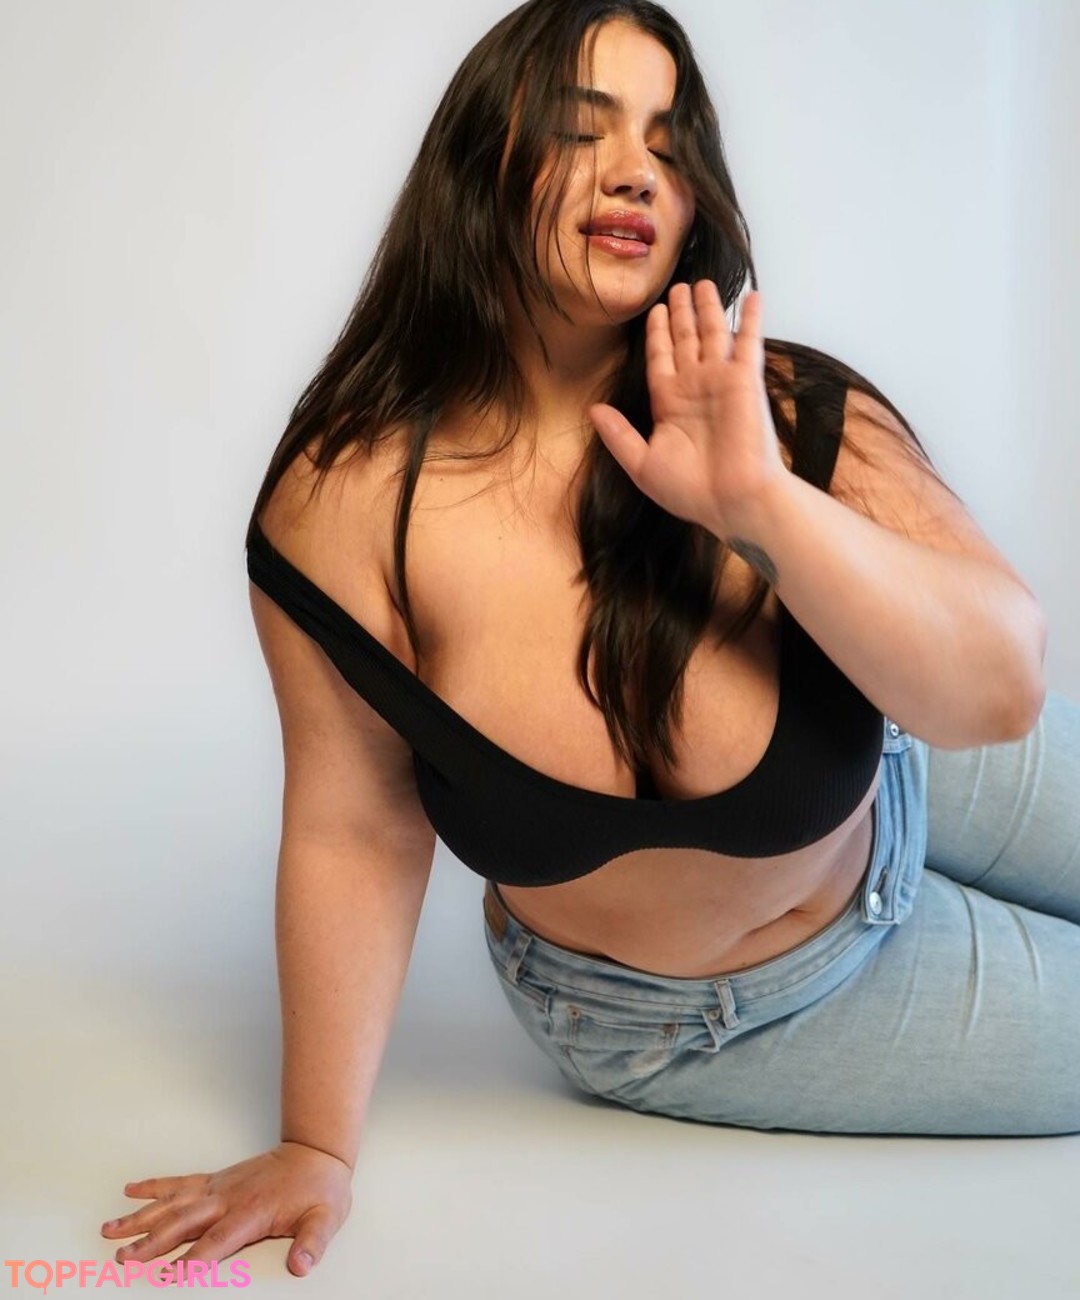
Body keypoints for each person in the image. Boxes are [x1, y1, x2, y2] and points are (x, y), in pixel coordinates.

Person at [101, 0, 1080, 1280]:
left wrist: (758, 504)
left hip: (907, 763)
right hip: (721, 1012)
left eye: (669, 144)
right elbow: (356, 825)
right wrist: (316, 1145)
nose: (636, 173)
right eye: (583, 128)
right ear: (482, 160)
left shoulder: (775, 408)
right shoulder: (348, 505)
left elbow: (999, 694)